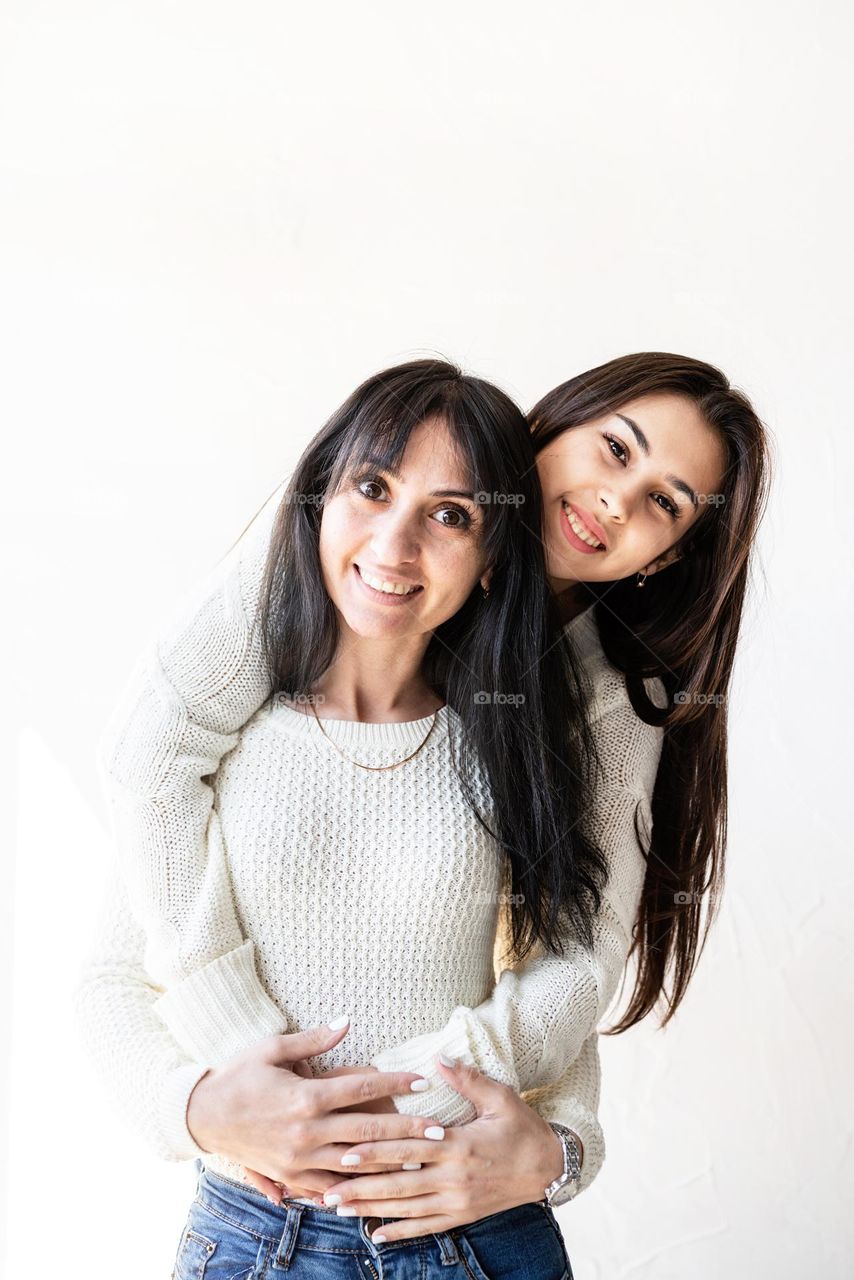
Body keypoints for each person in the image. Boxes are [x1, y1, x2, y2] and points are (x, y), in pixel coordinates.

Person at [74, 353, 769, 1272]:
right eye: (612, 450)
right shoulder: (329, 576)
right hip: (262, 1225)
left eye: (664, 503)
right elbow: (143, 801)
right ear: (550, 427)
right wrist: (218, 1090)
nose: (614, 503)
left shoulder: (596, 700)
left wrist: (556, 1152)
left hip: (465, 1233)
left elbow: (568, 969)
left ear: (673, 554)